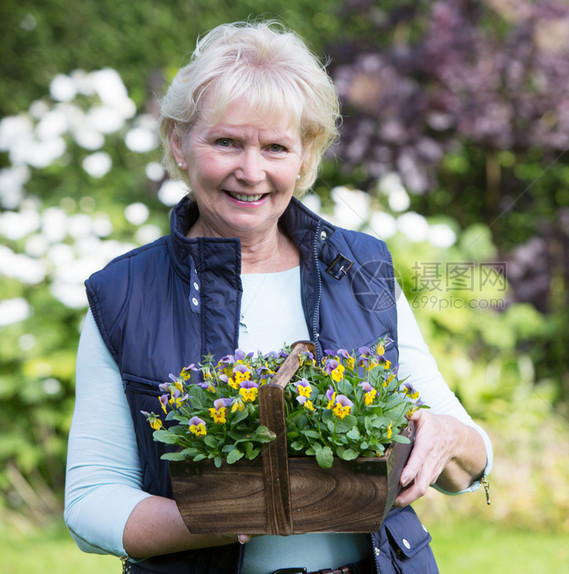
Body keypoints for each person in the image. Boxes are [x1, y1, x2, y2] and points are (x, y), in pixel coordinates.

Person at [64, 20, 492, 574]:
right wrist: (226, 513)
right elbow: (92, 499)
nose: (252, 171)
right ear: (179, 142)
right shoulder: (123, 295)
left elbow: (469, 458)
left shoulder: (360, 268)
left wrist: (450, 437)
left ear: (304, 154)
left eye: (275, 147)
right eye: (226, 142)